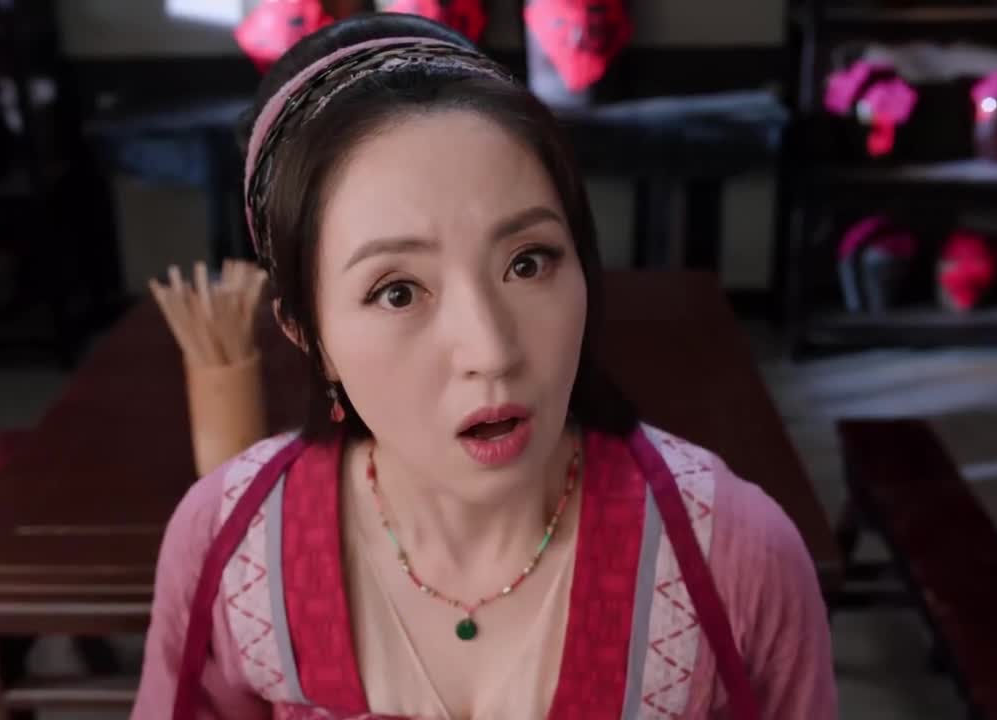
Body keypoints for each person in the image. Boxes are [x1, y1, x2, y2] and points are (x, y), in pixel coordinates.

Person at [132, 12, 837, 720]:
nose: (492, 351)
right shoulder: (232, 544)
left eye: (527, 262)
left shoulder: (732, 555)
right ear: (308, 334)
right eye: (397, 291)